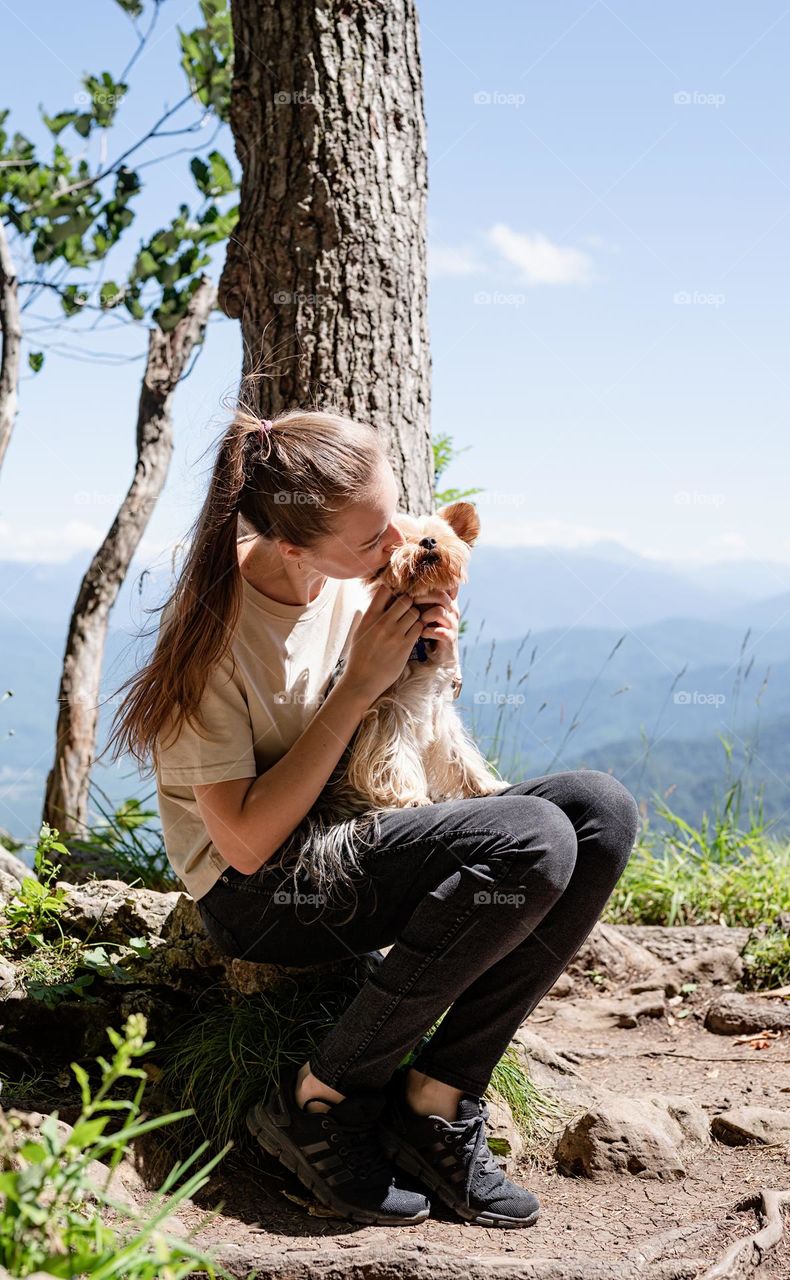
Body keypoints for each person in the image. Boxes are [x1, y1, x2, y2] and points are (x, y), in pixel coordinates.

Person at [105, 404, 640, 1231]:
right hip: (263, 892)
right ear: (294, 548)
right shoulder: (212, 636)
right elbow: (243, 845)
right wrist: (357, 686)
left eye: (395, 518)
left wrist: (435, 663)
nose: (396, 545)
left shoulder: (352, 576)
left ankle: (437, 1097)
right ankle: (322, 1099)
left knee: (601, 813)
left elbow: (405, 712)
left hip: (357, 825)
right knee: (534, 840)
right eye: (370, 540)